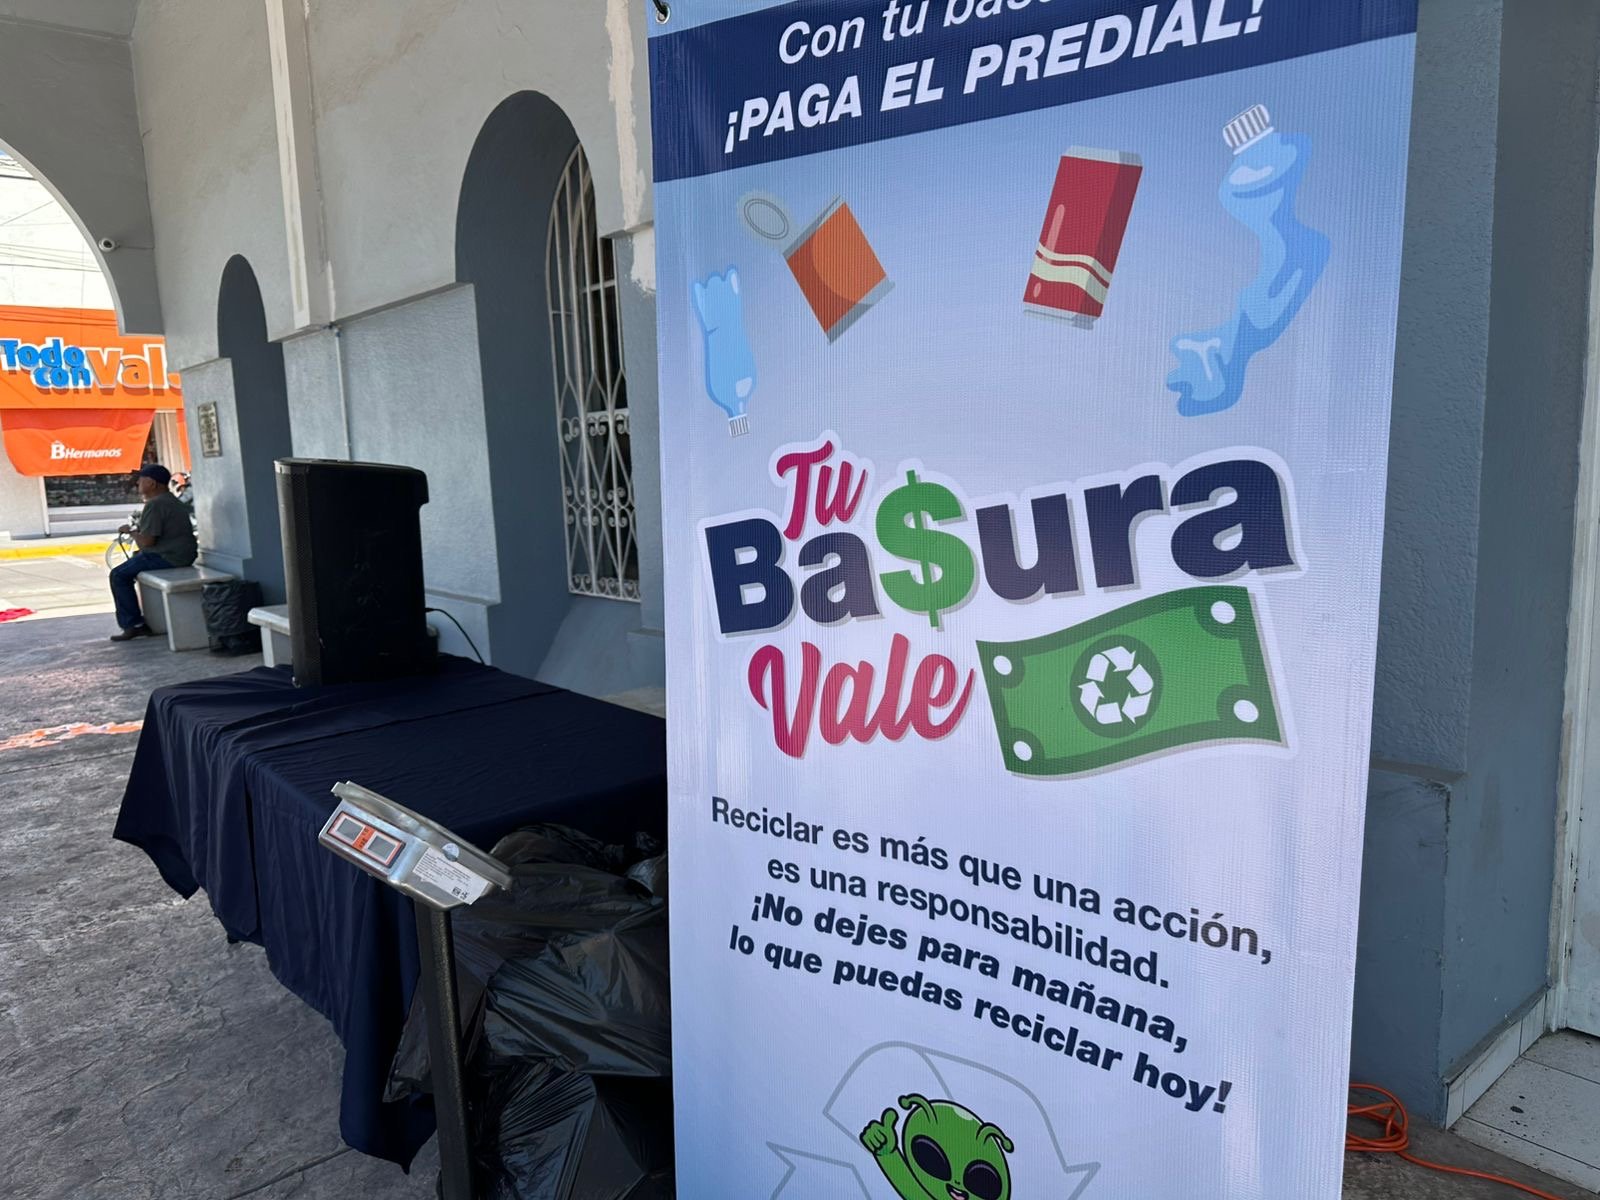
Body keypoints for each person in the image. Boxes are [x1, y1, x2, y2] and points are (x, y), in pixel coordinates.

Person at [109, 464, 199, 642]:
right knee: (134, 563)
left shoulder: (155, 504)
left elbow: (147, 543)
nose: (138, 484)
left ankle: (133, 624)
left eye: (141, 480)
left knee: (118, 575)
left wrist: (131, 532)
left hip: (168, 557)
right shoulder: (170, 500)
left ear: (151, 483)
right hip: (182, 555)